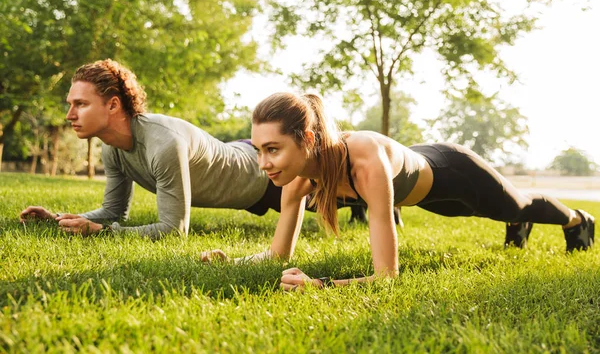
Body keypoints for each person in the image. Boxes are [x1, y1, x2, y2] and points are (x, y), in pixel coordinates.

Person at [203, 91, 595, 290]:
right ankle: (515, 223)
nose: (263, 163)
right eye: (259, 150)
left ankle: (579, 220)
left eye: (273, 149)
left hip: (454, 171)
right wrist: (232, 261)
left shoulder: (365, 162)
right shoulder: (297, 180)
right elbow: (277, 254)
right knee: (472, 212)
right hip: (423, 193)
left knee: (518, 204)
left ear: (307, 139)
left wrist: (319, 285)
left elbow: (386, 276)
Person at [19, 59, 285, 239]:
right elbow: (113, 212)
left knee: (327, 205)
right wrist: (58, 219)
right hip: (241, 168)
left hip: (267, 172)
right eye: (70, 104)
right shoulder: (112, 148)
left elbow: (174, 229)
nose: (69, 115)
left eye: (81, 104)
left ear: (113, 105)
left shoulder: (164, 143)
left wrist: (102, 232)